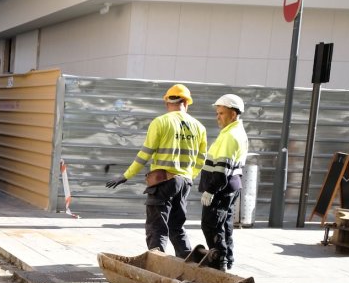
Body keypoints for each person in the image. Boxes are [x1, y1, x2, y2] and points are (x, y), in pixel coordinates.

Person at [105, 84, 207, 257]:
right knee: (177, 227)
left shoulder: (161, 122)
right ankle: (189, 265)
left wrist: (126, 175)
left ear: (167, 103)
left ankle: (156, 264)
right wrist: (189, 177)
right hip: (184, 183)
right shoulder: (199, 127)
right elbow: (201, 159)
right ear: (186, 103)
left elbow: (145, 154)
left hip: (163, 183)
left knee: (157, 227)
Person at [198, 94, 249, 271]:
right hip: (230, 187)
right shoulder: (235, 132)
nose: (217, 117)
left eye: (221, 113)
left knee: (211, 225)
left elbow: (221, 170)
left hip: (220, 189)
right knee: (224, 225)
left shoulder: (230, 136)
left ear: (233, 114)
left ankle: (218, 263)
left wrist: (210, 190)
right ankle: (227, 260)